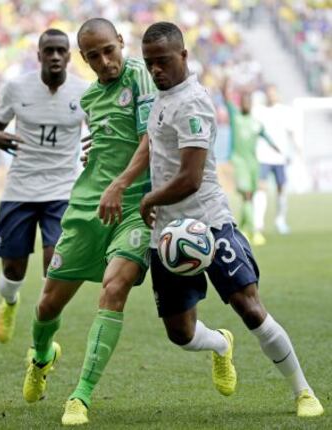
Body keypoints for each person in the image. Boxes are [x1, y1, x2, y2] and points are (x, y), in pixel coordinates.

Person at [101, 21, 324, 418]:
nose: (155, 70)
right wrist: (120, 177)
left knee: (250, 307)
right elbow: (151, 144)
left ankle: (303, 391)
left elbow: (189, 177)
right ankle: (221, 344)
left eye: (163, 61)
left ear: (184, 56)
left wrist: (149, 197)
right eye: (150, 63)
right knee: (180, 334)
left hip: (208, 224)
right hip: (168, 236)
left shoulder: (193, 103)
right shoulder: (160, 97)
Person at [22, 18, 155, 426]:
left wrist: (121, 182)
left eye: (109, 50)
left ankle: (80, 397)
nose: (104, 61)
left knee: (114, 290)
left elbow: (153, 135)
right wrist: (96, 155)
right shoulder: (91, 97)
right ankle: (42, 358)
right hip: (88, 208)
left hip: (135, 206)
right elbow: (110, 138)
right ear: (84, 59)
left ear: (121, 42)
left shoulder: (141, 76)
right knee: (47, 305)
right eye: (93, 56)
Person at [0, 29, 88, 344]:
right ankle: (11, 302)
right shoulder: (17, 88)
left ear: (69, 56)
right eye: (50, 51)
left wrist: (97, 145)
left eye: (61, 51)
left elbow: (101, 130)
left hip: (62, 190)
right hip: (20, 189)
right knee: (13, 271)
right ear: (39, 55)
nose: (55, 56)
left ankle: (42, 335)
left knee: (54, 264)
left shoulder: (84, 92)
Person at [222, 81, 278, 246]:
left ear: (251, 104)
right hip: (239, 162)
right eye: (244, 101)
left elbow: (265, 135)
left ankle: (243, 230)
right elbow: (226, 99)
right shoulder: (235, 116)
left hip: (253, 164)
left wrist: (277, 148)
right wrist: (226, 83)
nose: (246, 104)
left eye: (248, 101)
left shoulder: (255, 122)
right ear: (241, 104)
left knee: (250, 198)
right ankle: (255, 232)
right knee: (247, 195)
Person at [253, 84, 295, 237]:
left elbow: (292, 133)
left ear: (278, 94)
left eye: (273, 93)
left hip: (280, 158)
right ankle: (259, 224)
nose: (271, 95)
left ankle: (280, 221)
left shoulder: (285, 111)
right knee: (261, 189)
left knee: (281, 190)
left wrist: (295, 152)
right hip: (263, 156)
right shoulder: (259, 112)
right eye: (268, 93)